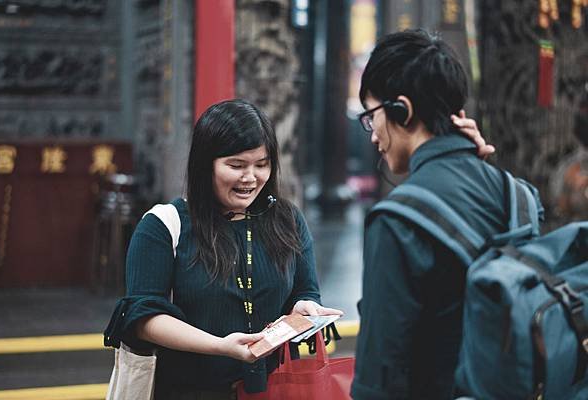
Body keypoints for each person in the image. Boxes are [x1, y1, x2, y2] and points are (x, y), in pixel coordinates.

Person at [104, 99, 342, 399]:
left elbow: (305, 291)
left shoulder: (287, 219)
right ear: (206, 165)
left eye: (262, 164)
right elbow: (144, 318)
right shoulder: (163, 226)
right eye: (236, 165)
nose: (251, 178)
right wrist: (219, 346)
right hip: (188, 390)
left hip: (272, 389)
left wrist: (305, 309)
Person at [351, 29, 532, 400]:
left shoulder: (397, 221)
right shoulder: (520, 196)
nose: (373, 135)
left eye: (372, 116)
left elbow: (379, 376)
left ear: (402, 109)